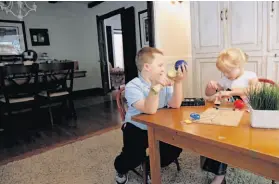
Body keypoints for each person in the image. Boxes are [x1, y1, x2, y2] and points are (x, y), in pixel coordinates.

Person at [114, 47, 187, 184]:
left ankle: (149, 164)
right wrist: (155, 87)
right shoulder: (133, 86)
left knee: (175, 148)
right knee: (132, 157)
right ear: (147, 67)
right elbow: (149, 109)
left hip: (160, 126)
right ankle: (120, 168)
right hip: (136, 127)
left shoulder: (163, 82)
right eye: (160, 65)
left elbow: (175, 104)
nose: (163, 69)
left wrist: (178, 83)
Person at [204, 48, 258, 184]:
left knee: (225, 140)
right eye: (223, 72)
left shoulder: (250, 76)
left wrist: (230, 92)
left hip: (247, 120)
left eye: (228, 71)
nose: (225, 75)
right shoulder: (225, 80)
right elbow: (209, 95)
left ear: (239, 66)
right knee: (217, 138)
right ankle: (219, 174)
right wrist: (211, 87)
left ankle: (221, 172)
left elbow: (254, 90)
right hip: (230, 117)